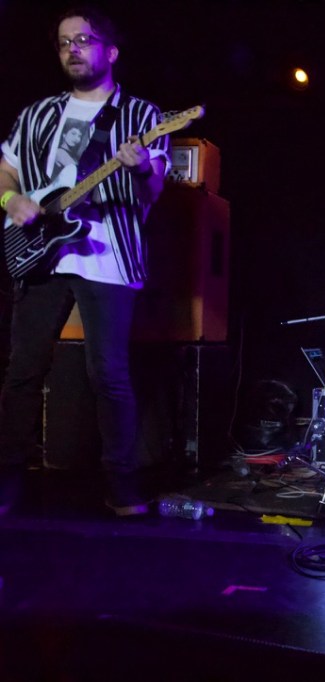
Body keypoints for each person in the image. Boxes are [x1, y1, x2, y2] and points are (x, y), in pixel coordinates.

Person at [0, 7, 169, 516]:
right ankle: (7, 479)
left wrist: (139, 168)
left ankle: (120, 484)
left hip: (107, 258)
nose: (73, 48)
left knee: (108, 374)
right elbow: (5, 172)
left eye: (84, 40)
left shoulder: (142, 116)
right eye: (64, 42)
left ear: (110, 52)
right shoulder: (36, 114)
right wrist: (12, 202)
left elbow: (153, 189)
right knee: (23, 371)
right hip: (37, 251)